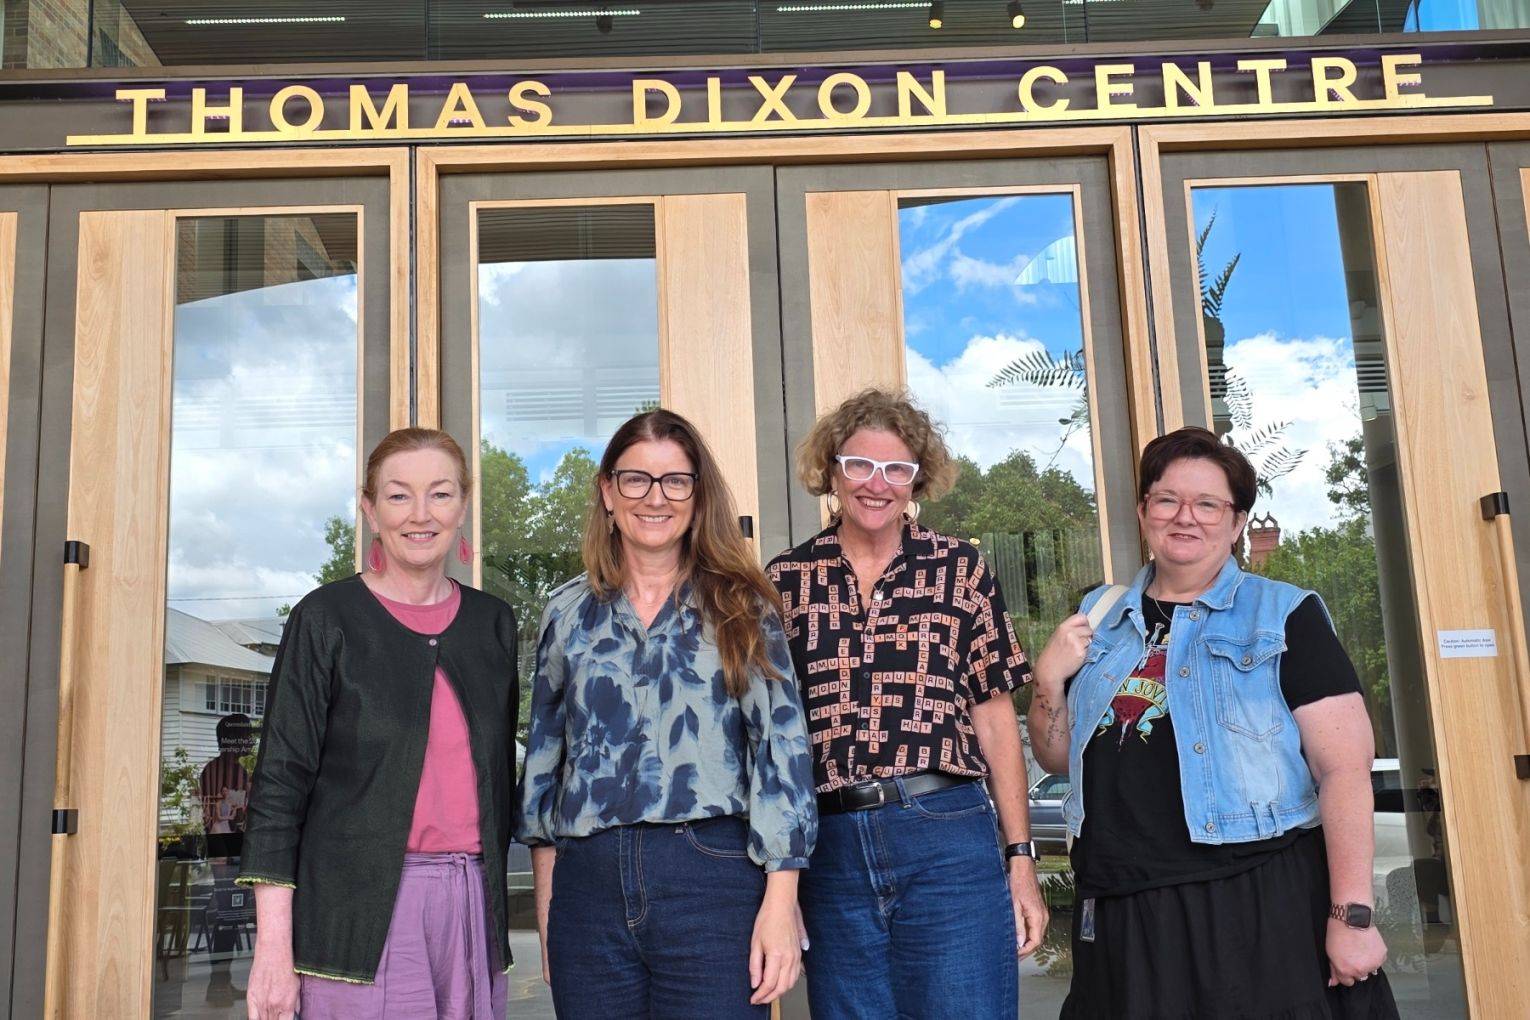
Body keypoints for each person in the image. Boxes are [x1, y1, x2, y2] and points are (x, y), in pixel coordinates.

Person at [1028, 426, 1399, 1019]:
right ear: (1145, 509)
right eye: (1168, 499)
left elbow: (1345, 772)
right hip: (1122, 904)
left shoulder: (1284, 615)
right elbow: (1056, 758)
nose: (1185, 517)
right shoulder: (1100, 616)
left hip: (1252, 900)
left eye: (1208, 504)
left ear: (1236, 522)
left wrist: (1350, 916)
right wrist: (1048, 680)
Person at [515, 409, 817, 1019]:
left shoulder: (742, 605)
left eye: (675, 481)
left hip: (712, 876)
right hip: (588, 888)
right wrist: (549, 911)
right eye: (636, 480)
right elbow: (544, 763)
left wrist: (781, 903)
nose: (655, 498)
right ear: (607, 491)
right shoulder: (566, 613)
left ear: (697, 494)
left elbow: (782, 754)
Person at [765, 388, 1049, 1020]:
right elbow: (771, 742)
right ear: (832, 471)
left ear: (917, 479)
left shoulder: (959, 568)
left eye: (897, 469)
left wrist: (1020, 859)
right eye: (860, 465)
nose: (877, 484)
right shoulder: (785, 581)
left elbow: (996, 721)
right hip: (830, 845)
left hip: (945, 831)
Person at [239, 428, 520, 1020]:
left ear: (463, 506)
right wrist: (272, 949)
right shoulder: (325, 618)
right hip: (357, 913)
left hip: (470, 905)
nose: (420, 515)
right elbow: (278, 790)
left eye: (440, 494)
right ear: (368, 510)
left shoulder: (493, 624)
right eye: (398, 496)